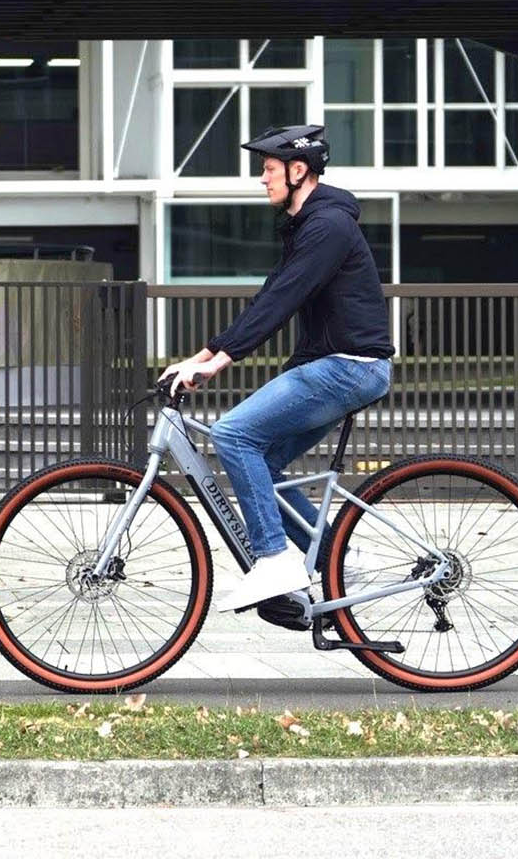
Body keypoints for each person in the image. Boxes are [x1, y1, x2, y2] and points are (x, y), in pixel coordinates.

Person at [159, 125, 394, 614]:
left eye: (268, 170)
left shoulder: (328, 226)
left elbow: (286, 299)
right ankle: (336, 561)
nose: (261, 179)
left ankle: (274, 559)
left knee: (234, 435)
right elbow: (269, 296)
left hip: (347, 367)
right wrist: (203, 358)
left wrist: (222, 360)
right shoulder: (308, 224)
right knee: (260, 459)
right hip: (335, 366)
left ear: (298, 170)